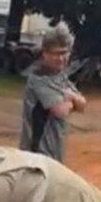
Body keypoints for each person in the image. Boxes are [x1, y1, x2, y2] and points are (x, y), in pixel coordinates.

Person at [20, 22, 86, 162]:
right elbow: (60, 111)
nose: (61, 58)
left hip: (55, 154)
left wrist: (70, 97)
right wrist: (69, 99)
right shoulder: (39, 78)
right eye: (56, 53)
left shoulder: (60, 76)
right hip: (36, 156)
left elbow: (83, 104)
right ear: (45, 53)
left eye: (64, 53)